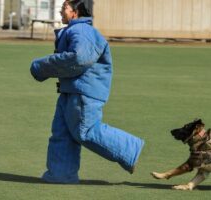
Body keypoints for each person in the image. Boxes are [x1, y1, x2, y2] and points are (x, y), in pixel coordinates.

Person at [30, 0, 144, 184]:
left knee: (86, 131)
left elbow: (79, 58)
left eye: (64, 7)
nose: (60, 11)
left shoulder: (82, 31)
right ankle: (61, 174)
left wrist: (41, 67)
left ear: (75, 11)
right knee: (63, 133)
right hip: (71, 90)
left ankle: (130, 149)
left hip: (83, 92)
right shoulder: (77, 30)